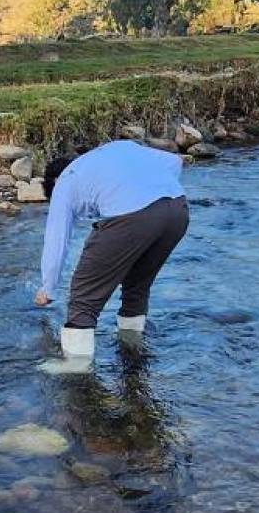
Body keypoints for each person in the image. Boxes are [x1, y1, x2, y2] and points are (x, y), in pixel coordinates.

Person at [35, 140, 189, 364]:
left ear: (54, 181)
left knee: (83, 296)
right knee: (137, 284)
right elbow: (175, 161)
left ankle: (75, 367)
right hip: (178, 210)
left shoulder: (66, 181)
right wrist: (151, 189)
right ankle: (132, 347)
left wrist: (48, 288)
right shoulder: (114, 151)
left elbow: (57, 239)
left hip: (131, 217)